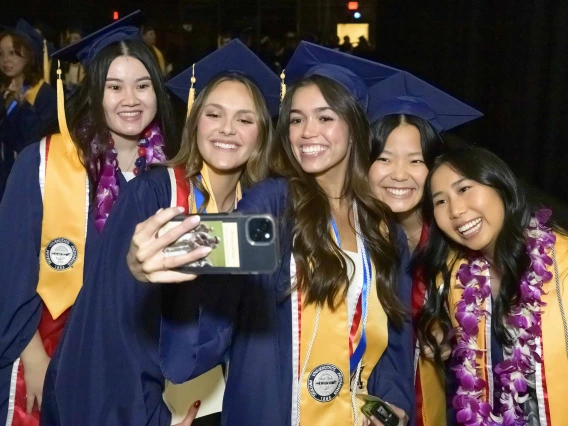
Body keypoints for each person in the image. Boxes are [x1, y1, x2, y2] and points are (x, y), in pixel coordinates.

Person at [128, 41, 415, 426]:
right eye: (295, 119)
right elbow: (220, 247)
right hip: (273, 409)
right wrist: (156, 255)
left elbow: (394, 336)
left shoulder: (381, 228)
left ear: (354, 126)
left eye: (325, 118)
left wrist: (393, 402)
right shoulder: (274, 202)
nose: (307, 132)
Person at [41, 38, 279, 426]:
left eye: (245, 119)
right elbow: (112, 332)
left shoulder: (255, 215)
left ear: (261, 134)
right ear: (194, 120)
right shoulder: (153, 195)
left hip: (218, 405)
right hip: (141, 409)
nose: (227, 130)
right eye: (214, 114)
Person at [0, 11, 177, 426]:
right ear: (93, 90)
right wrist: (37, 361)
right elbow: (9, 274)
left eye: (142, 85)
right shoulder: (43, 164)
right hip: (45, 357)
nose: (130, 99)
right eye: (113, 86)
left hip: (133, 368)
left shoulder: (170, 175)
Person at [416, 146, 568, 425]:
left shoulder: (563, 267)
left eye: (464, 189)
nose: (456, 210)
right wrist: (440, 331)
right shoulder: (458, 279)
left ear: (499, 183)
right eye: (440, 201)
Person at [366, 71, 482, 426]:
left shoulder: (459, 238)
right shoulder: (350, 237)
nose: (399, 175)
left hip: (448, 401)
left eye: (416, 160)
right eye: (384, 158)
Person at [0, 19, 57, 200]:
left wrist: (22, 107)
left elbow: (32, 144)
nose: (5, 60)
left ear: (30, 54)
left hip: (29, 186)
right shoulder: (5, 90)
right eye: (1, 54)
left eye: (13, 53)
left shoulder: (45, 96)